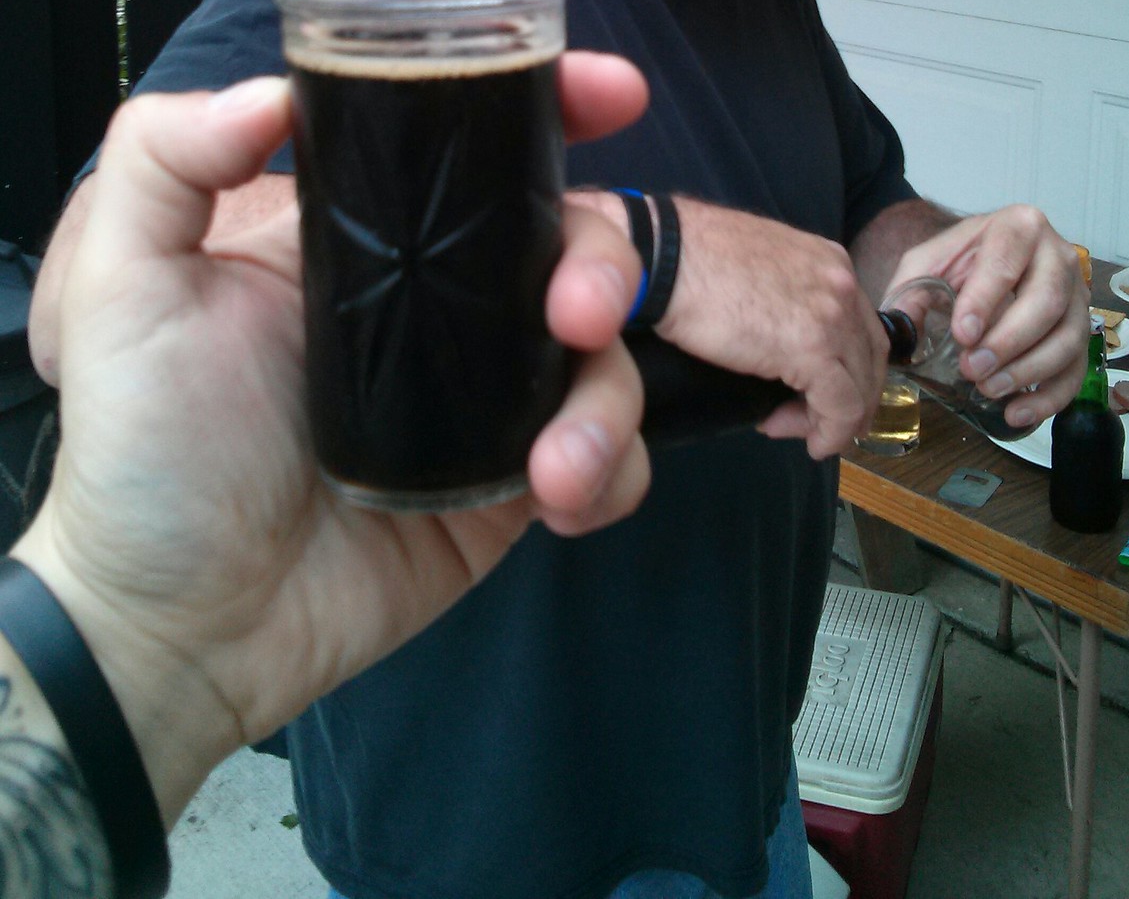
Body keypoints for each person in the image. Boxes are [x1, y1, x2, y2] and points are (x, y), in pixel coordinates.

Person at [29, 0, 1087, 899]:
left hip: (739, 763)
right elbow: (95, 278)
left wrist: (961, 273)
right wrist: (654, 249)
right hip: (492, 819)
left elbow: (861, 197)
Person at [2, 62, 650, 898]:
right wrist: (135, 636)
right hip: (452, 825)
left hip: (721, 774)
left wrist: (140, 646)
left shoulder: (769, 6)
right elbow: (63, 297)